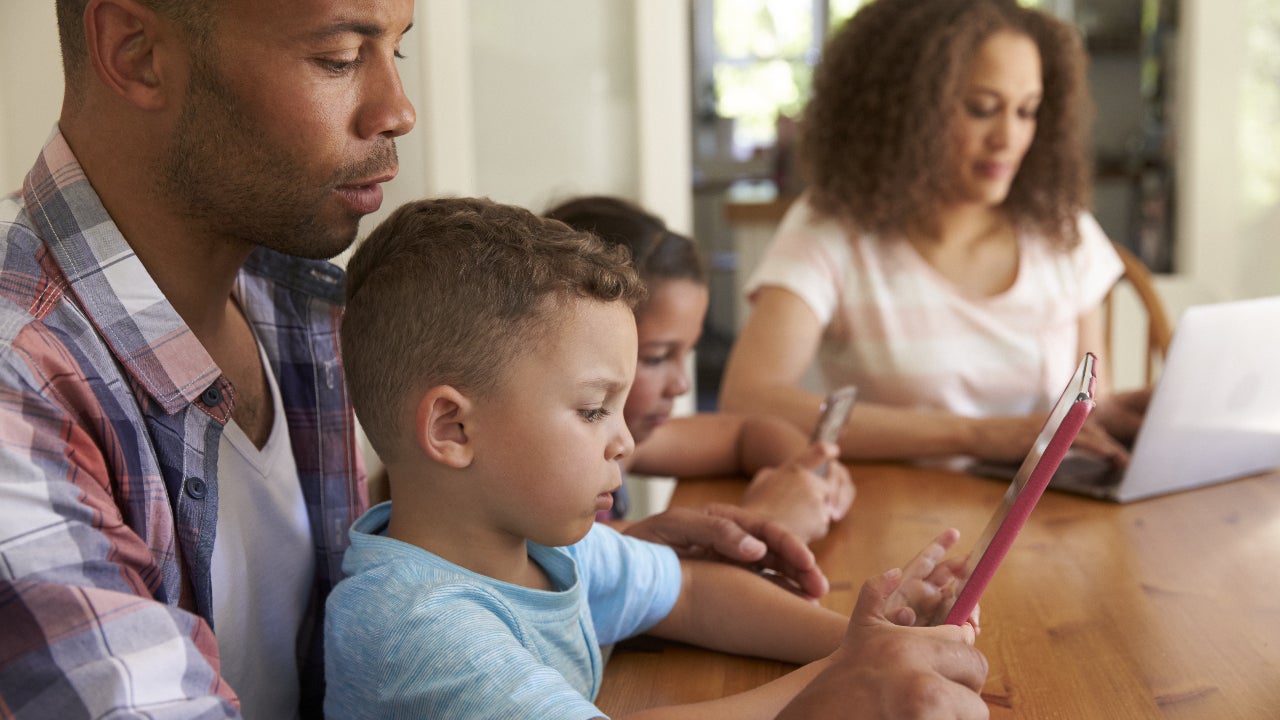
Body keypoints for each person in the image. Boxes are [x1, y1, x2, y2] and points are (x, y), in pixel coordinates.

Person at [0, 1, 829, 715]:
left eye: (395, 50)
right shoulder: (20, 393)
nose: (399, 109)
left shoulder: (298, 302)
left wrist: (546, 568)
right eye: (338, 56)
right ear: (136, 53)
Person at [326, 196, 989, 719]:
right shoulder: (413, 627)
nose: (625, 442)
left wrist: (864, 641)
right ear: (453, 429)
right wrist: (848, 679)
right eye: (592, 410)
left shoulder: (539, 547)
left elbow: (692, 591)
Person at [718, 0, 1151, 468]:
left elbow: (1086, 399)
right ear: (905, 109)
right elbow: (749, 400)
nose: (1008, 138)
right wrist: (976, 435)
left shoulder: (1061, 229)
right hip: (899, 521)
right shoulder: (833, 229)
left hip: (1047, 522)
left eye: (1027, 111)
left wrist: (1103, 416)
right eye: (982, 108)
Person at [546, 195, 855, 544]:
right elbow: (614, 560)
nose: (681, 385)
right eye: (657, 357)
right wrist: (759, 522)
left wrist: (805, 470)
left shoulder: (625, 442)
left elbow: (745, 436)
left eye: (687, 353)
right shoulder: (555, 483)